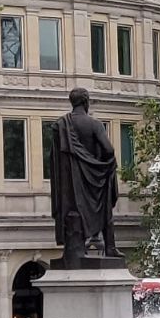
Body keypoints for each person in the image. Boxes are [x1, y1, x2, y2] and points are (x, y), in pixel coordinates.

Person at [50, 87, 123, 264]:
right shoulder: (94, 125)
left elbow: (54, 159)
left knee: (73, 213)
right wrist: (101, 165)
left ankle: (74, 248)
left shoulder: (60, 125)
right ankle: (110, 247)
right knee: (105, 206)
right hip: (93, 180)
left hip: (69, 185)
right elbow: (109, 150)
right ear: (86, 101)